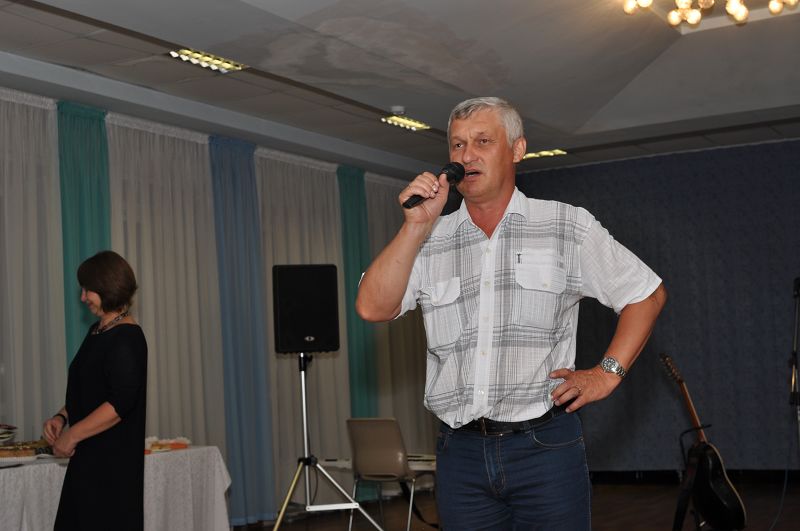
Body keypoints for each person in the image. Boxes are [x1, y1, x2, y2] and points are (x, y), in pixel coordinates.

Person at [356, 97, 667, 530]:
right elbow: (372, 306)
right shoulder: (429, 239)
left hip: (544, 448)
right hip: (460, 454)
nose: (467, 155)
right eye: (458, 144)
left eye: (483, 141)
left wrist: (606, 373)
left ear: (517, 149)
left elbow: (646, 294)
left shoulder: (565, 225)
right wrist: (414, 228)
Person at [43, 250, 147, 531]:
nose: (82, 297)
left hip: (110, 467)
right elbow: (90, 387)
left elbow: (119, 404)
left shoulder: (128, 338)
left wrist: (72, 435)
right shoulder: (97, 331)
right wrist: (62, 417)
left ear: (107, 287)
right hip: (88, 459)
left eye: (87, 289)